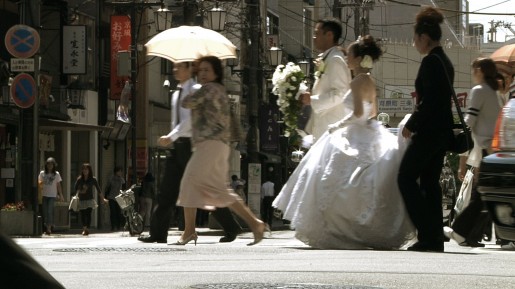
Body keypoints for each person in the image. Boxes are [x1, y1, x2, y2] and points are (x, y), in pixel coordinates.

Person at [273, 36, 416, 249]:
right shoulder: (370, 81)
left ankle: (337, 227)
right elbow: (373, 112)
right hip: (369, 131)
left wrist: (337, 126)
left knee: (332, 178)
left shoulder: (357, 81)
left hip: (354, 132)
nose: (346, 58)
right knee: (359, 181)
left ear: (358, 58)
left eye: (349, 55)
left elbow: (358, 113)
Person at [138, 61, 242, 244]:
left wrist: (170, 136)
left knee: (204, 188)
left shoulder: (195, 90)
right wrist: (173, 139)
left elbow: (188, 121)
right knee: (167, 191)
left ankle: (231, 227)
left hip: (189, 146)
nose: (175, 70)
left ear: (189, 69)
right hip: (178, 147)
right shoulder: (176, 91)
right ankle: (158, 233)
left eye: (179, 66)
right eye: (174, 66)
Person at [174, 56, 268, 246]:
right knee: (215, 189)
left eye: (206, 70)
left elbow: (186, 102)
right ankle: (254, 224)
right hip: (218, 146)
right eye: (200, 70)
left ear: (216, 73)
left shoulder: (209, 89)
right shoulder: (220, 90)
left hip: (210, 145)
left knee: (189, 183)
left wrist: (188, 80)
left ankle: (190, 231)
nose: (202, 74)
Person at [397, 7, 455, 252]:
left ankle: (428, 233)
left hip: (429, 132)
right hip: (441, 133)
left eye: (415, 38)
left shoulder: (431, 61)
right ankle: (433, 237)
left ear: (424, 37)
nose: (414, 43)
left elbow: (429, 101)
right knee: (429, 183)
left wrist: (412, 123)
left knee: (406, 177)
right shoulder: (445, 61)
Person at [443, 58, 503, 247]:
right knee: (482, 194)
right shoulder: (495, 92)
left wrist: (454, 133)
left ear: (480, 70)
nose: (472, 73)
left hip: (485, 147)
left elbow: (470, 119)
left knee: (481, 194)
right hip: (494, 149)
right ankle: (463, 232)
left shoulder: (479, 91)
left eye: (473, 70)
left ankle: (460, 231)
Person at [300, 18, 351, 142]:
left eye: (317, 33)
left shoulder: (335, 60)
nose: (313, 37)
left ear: (329, 35)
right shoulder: (328, 58)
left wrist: (312, 100)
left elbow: (341, 93)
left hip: (332, 129)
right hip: (323, 128)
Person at [74, 163, 107, 236]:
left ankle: (87, 228)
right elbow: (75, 188)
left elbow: (98, 190)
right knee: (83, 214)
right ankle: (84, 229)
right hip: (82, 199)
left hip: (89, 200)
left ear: (89, 170)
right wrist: (81, 190)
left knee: (88, 214)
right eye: (83, 169)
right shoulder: (80, 179)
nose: (85, 171)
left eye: (86, 169)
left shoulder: (93, 179)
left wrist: (103, 199)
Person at [38, 157, 63, 235]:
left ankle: (49, 228)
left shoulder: (56, 174)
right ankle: (46, 226)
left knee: (49, 211)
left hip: (52, 195)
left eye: (51, 164)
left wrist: (60, 194)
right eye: (48, 164)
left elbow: (58, 185)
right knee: (45, 212)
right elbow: (39, 183)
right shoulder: (42, 173)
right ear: (46, 165)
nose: (50, 165)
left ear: (54, 165)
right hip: (44, 195)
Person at [105, 166, 125, 231]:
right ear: (116, 172)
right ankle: (113, 226)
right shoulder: (111, 178)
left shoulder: (122, 180)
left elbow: (124, 188)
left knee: (118, 212)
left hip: (119, 197)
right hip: (111, 197)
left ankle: (118, 226)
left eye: (121, 171)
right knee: (113, 212)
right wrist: (106, 196)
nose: (120, 173)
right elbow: (107, 187)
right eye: (119, 171)